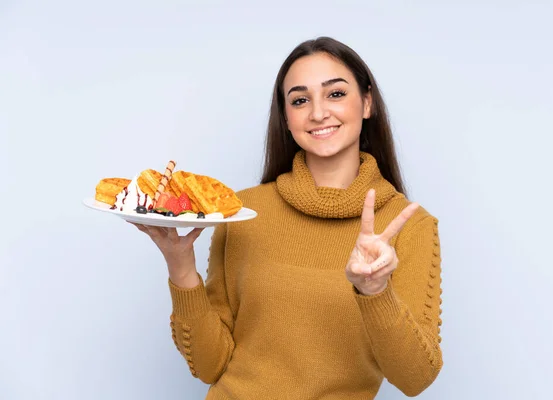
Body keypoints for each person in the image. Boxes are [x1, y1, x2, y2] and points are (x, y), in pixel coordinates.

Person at [132, 36, 443, 399]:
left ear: (367, 103)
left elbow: (415, 377)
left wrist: (375, 291)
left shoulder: (409, 226)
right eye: (299, 100)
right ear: (286, 118)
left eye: (336, 94)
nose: (318, 113)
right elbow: (209, 365)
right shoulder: (242, 213)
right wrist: (181, 266)